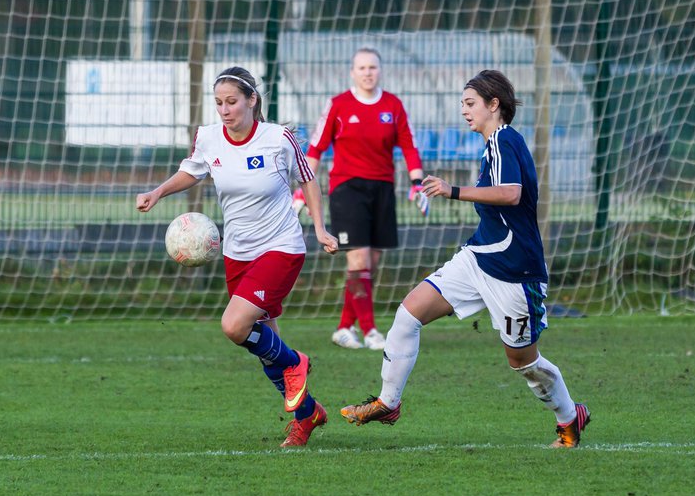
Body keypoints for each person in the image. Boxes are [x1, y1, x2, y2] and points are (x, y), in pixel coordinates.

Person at [339, 70, 590, 448]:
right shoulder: (492, 144)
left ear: (494, 105)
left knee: (523, 362)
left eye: (470, 103)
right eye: (462, 104)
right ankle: (388, 403)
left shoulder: (505, 140)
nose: (464, 111)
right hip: (478, 257)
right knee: (409, 313)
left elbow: (510, 194)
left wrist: (451, 190)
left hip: (514, 272)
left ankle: (570, 417)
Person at [137, 66, 339, 448]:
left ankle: (297, 362)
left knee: (234, 326)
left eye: (232, 102)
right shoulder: (209, 138)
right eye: (218, 103)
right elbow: (192, 171)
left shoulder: (277, 138)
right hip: (238, 252)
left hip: (280, 246)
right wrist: (158, 192)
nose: (225, 110)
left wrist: (319, 229)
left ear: (251, 101)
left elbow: (308, 179)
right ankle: (306, 414)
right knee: (265, 343)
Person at [305, 47, 426, 352]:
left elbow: (409, 146)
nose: (368, 72)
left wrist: (416, 182)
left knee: (371, 262)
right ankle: (371, 331)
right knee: (357, 259)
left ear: (379, 71)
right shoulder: (339, 105)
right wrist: (302, 189)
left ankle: (345, 327)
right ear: (352, 72)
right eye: (362, 68)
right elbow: (316, 149)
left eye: (372, 67)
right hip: (347, 190)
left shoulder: (393, 105)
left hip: (382, 189)